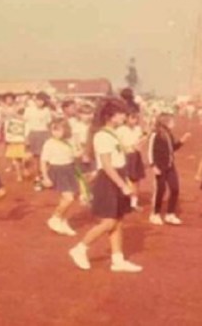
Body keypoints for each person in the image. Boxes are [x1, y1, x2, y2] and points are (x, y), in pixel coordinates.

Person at [68, 99, 142, 273]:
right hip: (110, 180)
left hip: (116, 176)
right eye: (121, 114)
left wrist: (133, 147)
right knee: (108, 222)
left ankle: (118, 260)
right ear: (110, 116)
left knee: (117, 221)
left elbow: (118, 155)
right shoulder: (101, 136)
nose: (124, 117)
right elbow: (107, 165)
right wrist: (122, 185)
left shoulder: (112, 134)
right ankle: (79, 249)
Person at [147, 113, 190, 226]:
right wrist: (153, 166)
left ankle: (170, 214)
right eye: (172, 121)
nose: (173, 123)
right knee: (160, 191)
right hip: (159, 166)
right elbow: (150, 151)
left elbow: (172, 149)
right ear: (165, 122)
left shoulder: (168, 134)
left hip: (170, 165)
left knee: (175, 189)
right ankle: (155, 214)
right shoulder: (155, 134)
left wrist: (182, 141)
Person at [41, 119, 78, 237]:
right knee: (69, 198)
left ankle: (63, 221)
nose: (55, 133)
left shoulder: (69, 141)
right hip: (58, 171)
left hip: (70, 169)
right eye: (53, 130)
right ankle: (55, 218)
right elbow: (43, 161)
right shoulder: (49, 143)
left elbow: (74, 155)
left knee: (68, 198)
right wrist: (45, 177)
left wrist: (80, 152)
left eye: (59, 130)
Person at [117, 110, 146, 211]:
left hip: (136, 156)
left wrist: (140, 143)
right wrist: (128, 148)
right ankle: (123, 202)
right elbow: (117, 145)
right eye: (132, 118)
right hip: (125, 156)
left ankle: (134, 203)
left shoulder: (138, 129)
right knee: (125, 179)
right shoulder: (120, 130)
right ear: (127, 118)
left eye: (136, 118)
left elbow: (141, 141)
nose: (134, 120)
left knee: (136, 180)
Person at [24, 92, 53, 191]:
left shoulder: (47, 111)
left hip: (44, 134)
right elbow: (25, 124)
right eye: (38, 100)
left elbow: (49, 125)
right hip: (34, 134)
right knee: (36, 158)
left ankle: (44, 177)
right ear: (35, 100)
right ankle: (37, 179)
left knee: (46, 158)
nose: (39, 102)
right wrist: (26, 137)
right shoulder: (29, 110)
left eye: (42, 101)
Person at [4, 107, 28, 182]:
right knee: (16, 159)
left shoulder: (25, 121)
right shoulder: (8, 121)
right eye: (17, 113)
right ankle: (19, 175)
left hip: (21, 141)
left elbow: (27, 130)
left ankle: (24, 169)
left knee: (23, 158)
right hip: (13, 142)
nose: (18, 115)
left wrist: (26, 139)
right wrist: (8, 139)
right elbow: (6, 131)